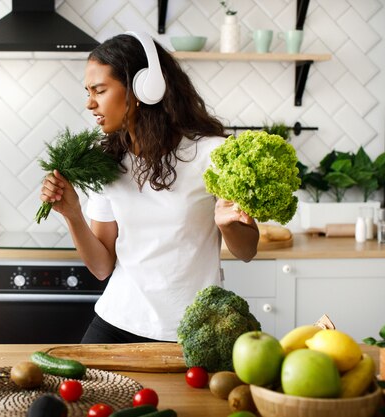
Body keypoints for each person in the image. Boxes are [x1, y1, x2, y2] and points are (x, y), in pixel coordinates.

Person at [39, 32, 259, 343]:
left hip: (192, 329)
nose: (90, 103)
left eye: (99, 90)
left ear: (143, 88)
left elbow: (247, 251)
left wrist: (228, 226)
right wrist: (72, 213)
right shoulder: (107, 161)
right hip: (118, 318)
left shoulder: (213, 154)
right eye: (88, 92)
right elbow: (102, 267)